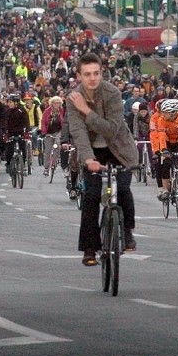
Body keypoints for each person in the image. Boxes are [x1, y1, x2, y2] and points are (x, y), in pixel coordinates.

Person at [66, 52, 139, 266]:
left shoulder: (112, 93)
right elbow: (78, 132)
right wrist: (88, 159)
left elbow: (111, 130)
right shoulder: (73, 99)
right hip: (92, 154)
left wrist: (86, 110)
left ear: (101, 73)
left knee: (124, 189)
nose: (92, 78)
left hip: (119, 150)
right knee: (91, 196)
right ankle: (90, 248)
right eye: (87, 74)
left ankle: (127, 231)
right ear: (78, 75)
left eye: (96, 73)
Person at [150, 98, 178, 201]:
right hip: (167, 142)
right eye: (162, 112)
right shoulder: (161, 120)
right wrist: (163, 149)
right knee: (166, 164)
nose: (162, 114)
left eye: (165, 112)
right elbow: (161, 135)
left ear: (173, 112)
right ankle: (165, 190)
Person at [40, 96, 65, 177]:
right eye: (54, 103)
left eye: (58, 103)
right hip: (49, 132)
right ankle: (46, 168)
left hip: (58, 131)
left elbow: (65, 122)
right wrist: (43, 132)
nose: (56, 104)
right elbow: (43, 121)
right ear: (52, 103)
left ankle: (55, 161)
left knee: (58, 144)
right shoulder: (47, 111)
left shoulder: (62, 110)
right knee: (47, 150)